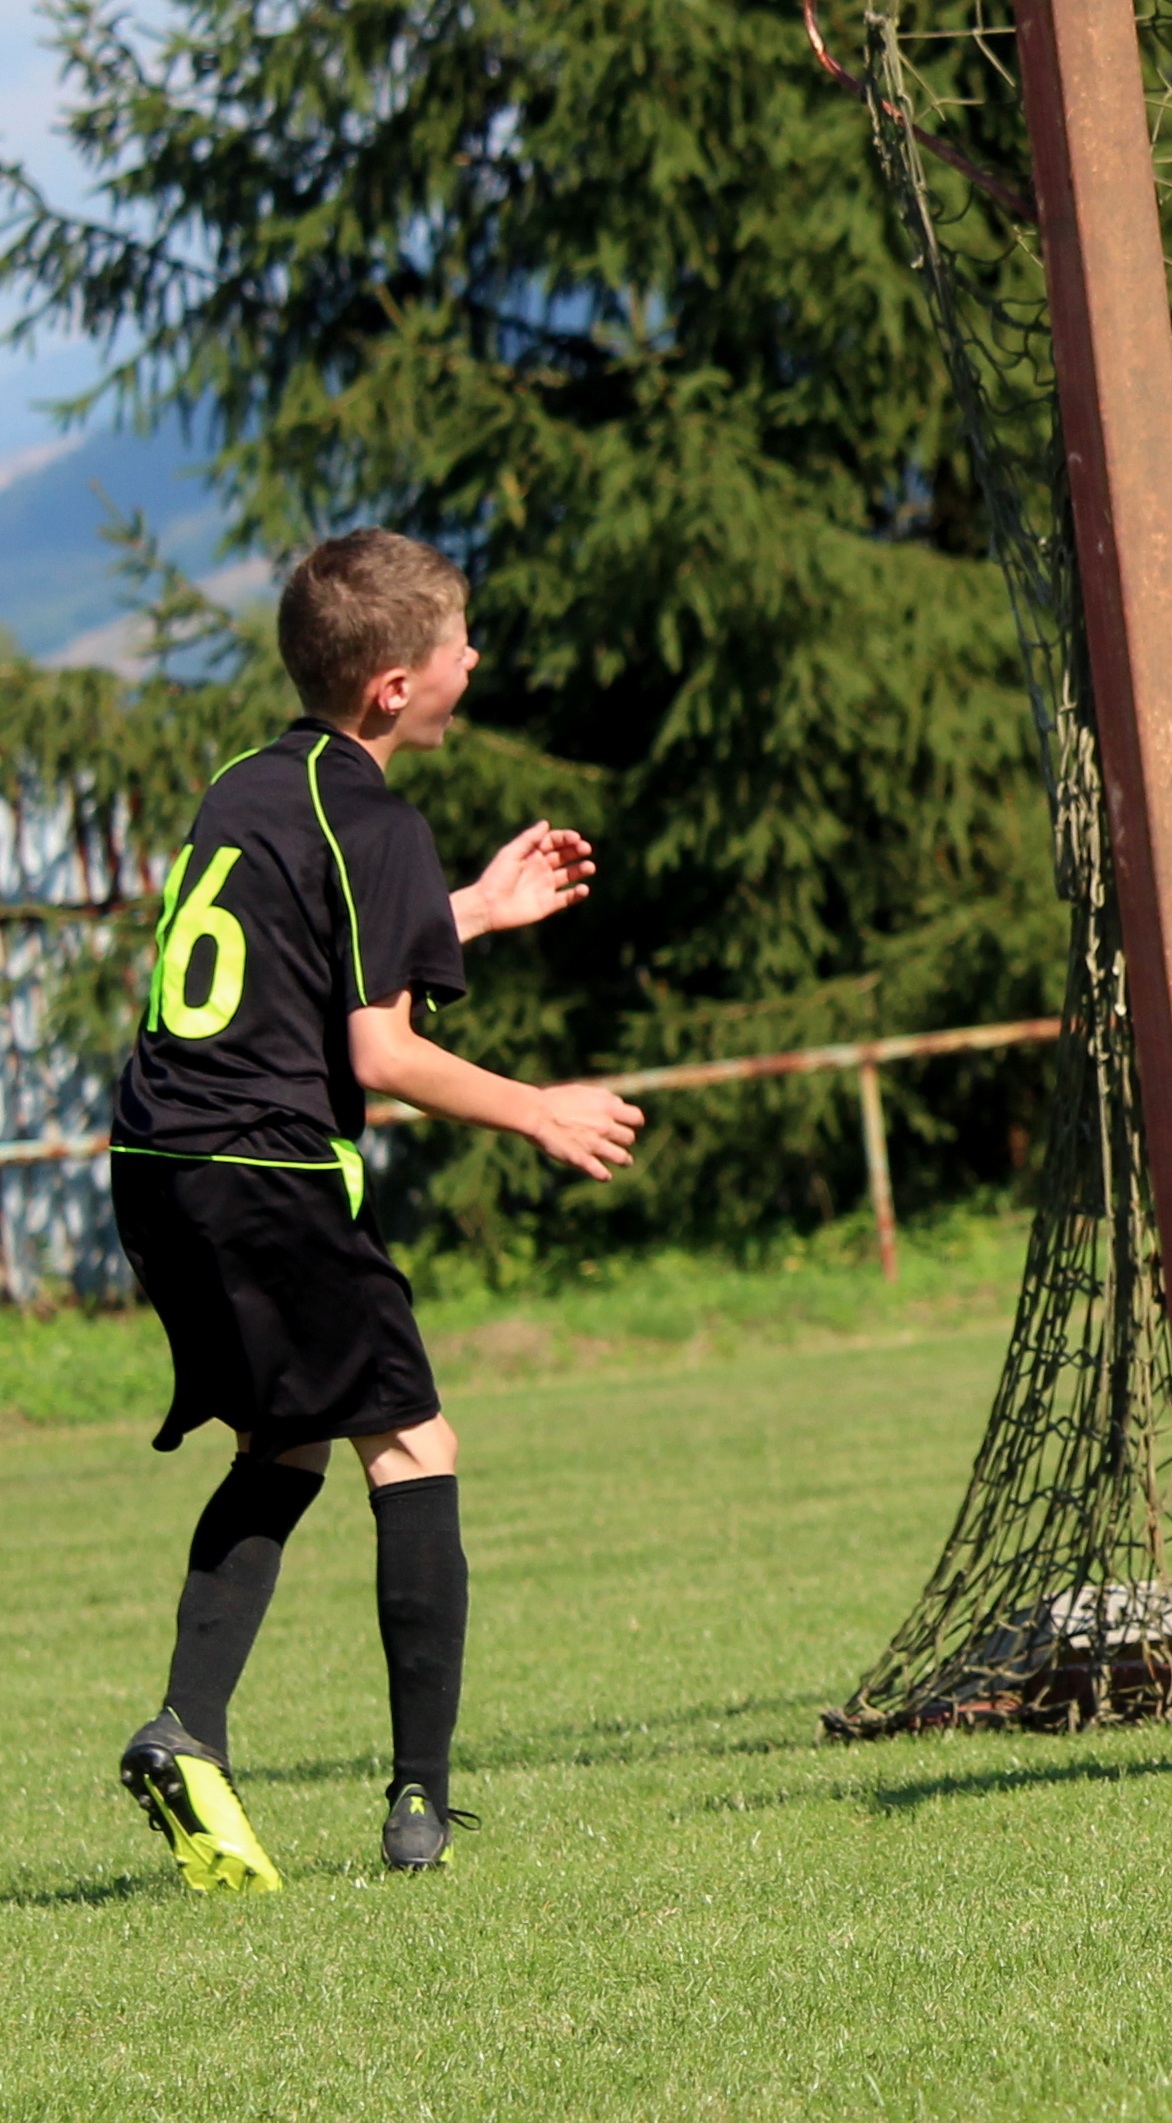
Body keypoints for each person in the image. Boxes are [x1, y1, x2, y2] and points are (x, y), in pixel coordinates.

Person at [110, 529, 642, 1889]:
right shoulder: (378, 813)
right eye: (460, 640)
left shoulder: (250, 784)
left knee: (286, 1440)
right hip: (270, 1169)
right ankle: (418, 1807)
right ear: (398, 687)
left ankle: (190, 1729)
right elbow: (380, 1054)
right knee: (413, 1444)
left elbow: (303, 947)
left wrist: (474, 905)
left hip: (159, 1165)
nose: (476, 658)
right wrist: (541, 1105)